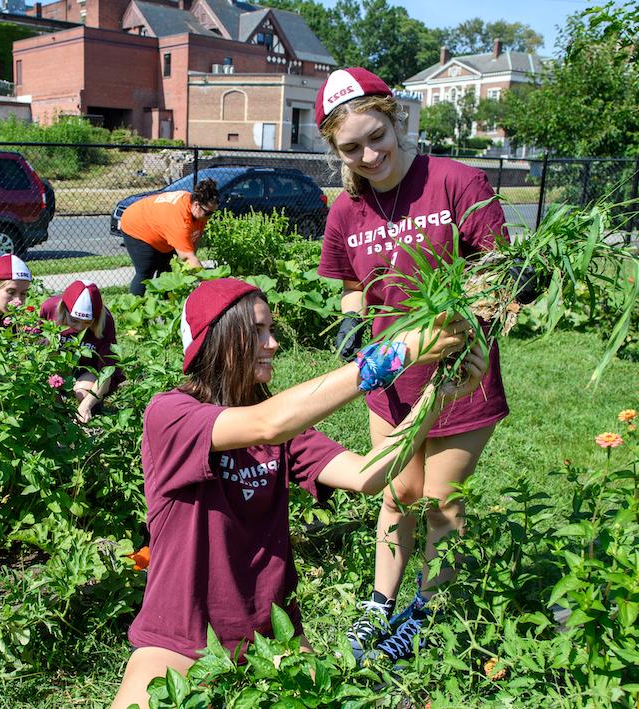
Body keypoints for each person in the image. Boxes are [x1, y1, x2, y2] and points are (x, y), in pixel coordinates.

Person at [109, 278, 486, 709]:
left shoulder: (285, 432)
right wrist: (396, 353)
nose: (272, 344)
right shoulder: (172, 415)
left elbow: (369, 475)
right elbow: (268, 422)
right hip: (179, 635)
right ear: (218, 338)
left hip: (273, 638)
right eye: (257, 331)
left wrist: (435, 396)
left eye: (272, 331)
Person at [314, 67, 510, 663]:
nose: (369, 155)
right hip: (390, 377)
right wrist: (352, 317)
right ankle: (381, 600)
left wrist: (472, 329)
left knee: (444, 500)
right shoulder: (347, 208)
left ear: (397, 120)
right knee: (398, 491)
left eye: (377, 137)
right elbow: (351, 281)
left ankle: (426, 611)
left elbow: (496, 276)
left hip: (459, 374)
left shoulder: (457, 181)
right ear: (335, 149)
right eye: (351, 148)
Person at [39, 279, 125, 423]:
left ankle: (90, 412)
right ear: (64, 310)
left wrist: (86, 405)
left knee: (83, 393)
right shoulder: (49, 309)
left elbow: (106, 372)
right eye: (74, 320)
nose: (79, 327)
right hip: (58, 366)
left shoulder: (105, 321)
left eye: (87, 322)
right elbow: (38, 350)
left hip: (88, 370)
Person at [119, 178, 220, 296]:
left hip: (161, 228)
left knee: (167, 270)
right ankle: (133, 308)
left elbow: (192, 245)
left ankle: (165, 306)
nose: (209, 217)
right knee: (146, 271)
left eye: (212, 213)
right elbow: (187, 257)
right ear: (196, 205)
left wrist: (192, 260)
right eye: (208, 213)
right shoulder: (180, 220)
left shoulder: (199, 213)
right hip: (136, 225)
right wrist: (208, 286)